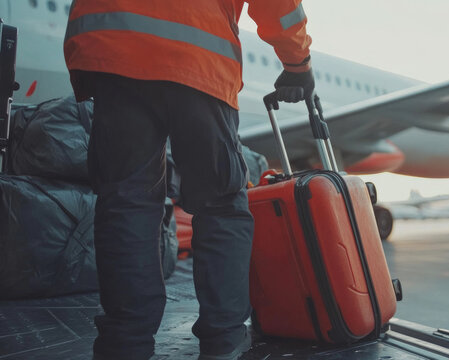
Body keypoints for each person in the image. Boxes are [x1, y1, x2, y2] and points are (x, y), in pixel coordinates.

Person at [63, 2, 315, 359]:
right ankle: (223, 343)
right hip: (199, 53)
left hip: (111, 46)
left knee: (126, 203)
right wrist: (297, 62)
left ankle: (124, 346)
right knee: (222, 206)